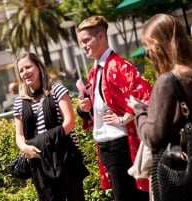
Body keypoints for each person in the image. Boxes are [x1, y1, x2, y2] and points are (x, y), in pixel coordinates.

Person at [76, 15, 152, 201]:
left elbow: (146, 96)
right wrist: (83, 108)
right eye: (81, 42)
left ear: (101, 36)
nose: (83, 46)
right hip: (107, 147)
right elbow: (96, 110)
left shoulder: (119, 65)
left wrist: (125, 117)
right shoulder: (95, 70)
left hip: (121, 144)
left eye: (86, 40)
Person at [127, 14, 192, 201]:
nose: (148, 55)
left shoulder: (168, 82)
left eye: (148, 49)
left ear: (159, 46)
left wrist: (139, 111)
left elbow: (152, 137)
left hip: (176, 173)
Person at [13, 52, 89, 201]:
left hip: (65, 159)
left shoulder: (57, 91)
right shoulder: (19, 102)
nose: (25, 72)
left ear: (39, 67)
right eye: (21, 70)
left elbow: (69, 122)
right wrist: (24, 148)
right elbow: (19, 135)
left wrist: (43, 142)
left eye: (28, 67)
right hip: (39, 163)